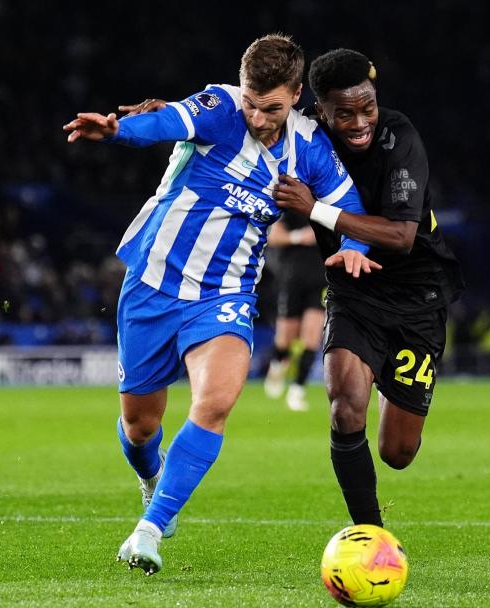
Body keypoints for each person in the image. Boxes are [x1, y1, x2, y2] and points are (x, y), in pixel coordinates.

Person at [62, 34, 379, 575]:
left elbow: (349, 205)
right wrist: (117, 131)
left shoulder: (309, 146)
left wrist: (354, 247)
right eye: (252, 103)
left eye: (271, 108)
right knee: (140, 427)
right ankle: (151, 476)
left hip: (225, 294)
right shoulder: (220, 106)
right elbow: (167, 122)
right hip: (153, 285)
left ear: (296, 96)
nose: (257, 117)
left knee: (215, 402)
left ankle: (149, 530)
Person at [273, 49, 464, 527]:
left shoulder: (401, 139)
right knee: (343, 407)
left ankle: (385, 380)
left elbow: (400, 237)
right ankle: (369, 534)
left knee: (397, 452)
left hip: (417, 297)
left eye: (368, 107)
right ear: (320, 109)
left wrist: (315, 209)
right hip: (354, 291)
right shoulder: (305, 136)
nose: (360, 123)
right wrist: (169, 116)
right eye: (345, 113)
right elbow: (248, 108)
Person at [263, 210, 326, 411]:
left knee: (312, 337)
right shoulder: (293, 208)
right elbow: (272, 236)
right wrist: (299, 236)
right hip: (291, 279)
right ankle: (277, 364)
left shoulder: (332, 208)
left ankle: (297, 390)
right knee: (285, 338)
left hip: (321, 280)